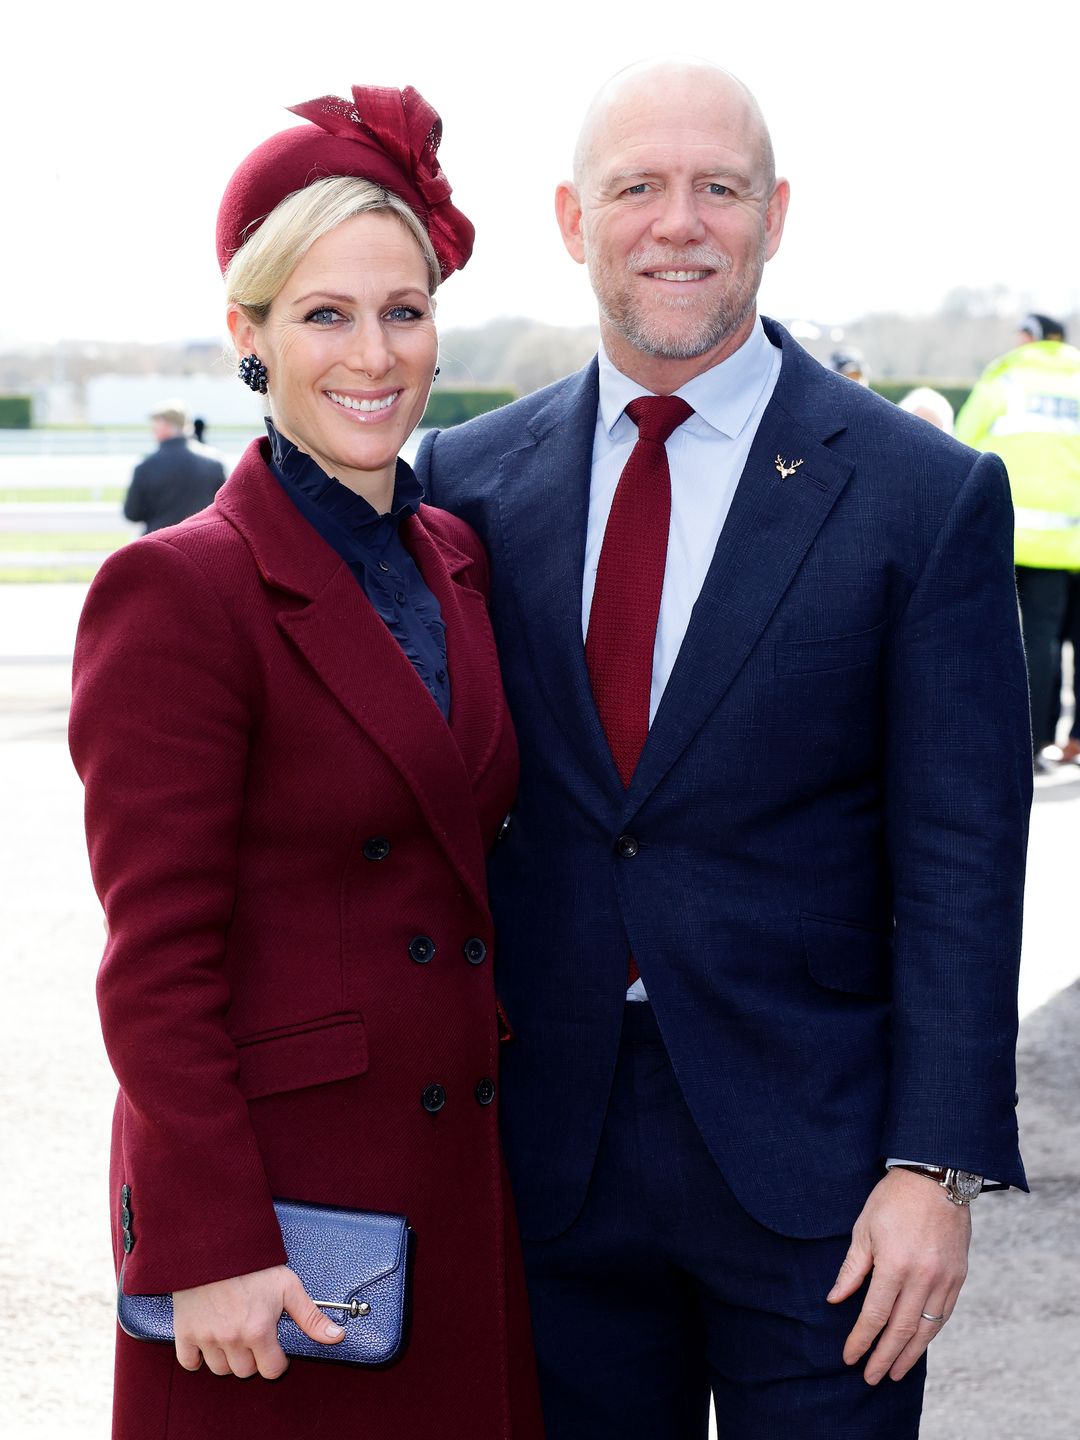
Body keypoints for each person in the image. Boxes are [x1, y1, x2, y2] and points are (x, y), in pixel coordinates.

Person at [415, 59, 1031, 1438]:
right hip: (542, 1158)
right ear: (574, 220)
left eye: (719, 188)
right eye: (638, 187)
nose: (677, 222)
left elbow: (964, 856)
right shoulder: (466, 483)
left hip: (822, 1176)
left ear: (776, 215)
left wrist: (935, 1165)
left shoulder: (922, 495)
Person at [69, 85, 543, 1440]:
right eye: (325, 315)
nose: (373, 353)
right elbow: (154, 962)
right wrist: (207, 1240)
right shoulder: (179, 590)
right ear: (251, 338)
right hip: (279, 1232)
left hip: (453, 1192)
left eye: (404, 310)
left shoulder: (452, 558)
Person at [955, 313, 1080, 768]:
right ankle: (1038, 742)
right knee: (1044, 642)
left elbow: (962, 445)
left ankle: (1003, 740)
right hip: (1063, 542)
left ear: (1028, 338)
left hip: (1000, 535)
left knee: (989, 638)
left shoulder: (1005, 374)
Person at [123, 400, 227, 532]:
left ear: (165, 426)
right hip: (204, 542)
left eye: (155, 424)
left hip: (160, 543)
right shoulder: (214, 462)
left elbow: (132, 513)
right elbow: (223, 506)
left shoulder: (146, 466)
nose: (153, 429)